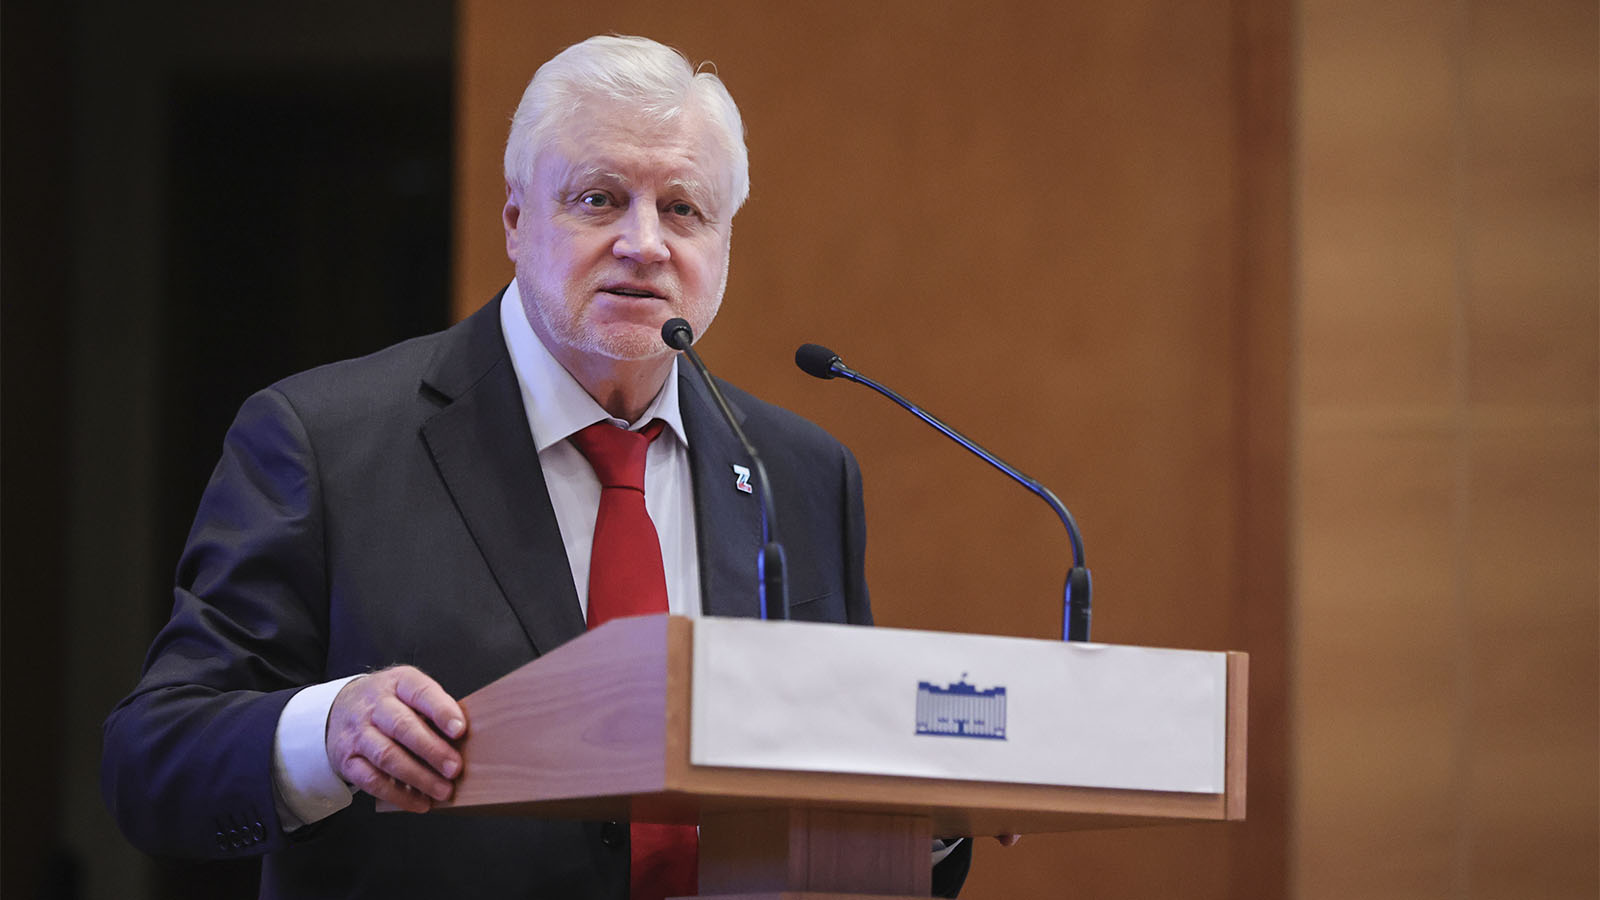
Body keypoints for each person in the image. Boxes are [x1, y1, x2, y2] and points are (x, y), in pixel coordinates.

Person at [101, 34, 973, 899]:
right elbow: (154, 759)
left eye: (683, 209)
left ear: (725, 240)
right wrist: (328, 733)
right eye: (599, 199)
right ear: (516, 221)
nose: (645, 243)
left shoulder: (800, 472)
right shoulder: (323, 441)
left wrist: (925, 818)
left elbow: (849, 786)